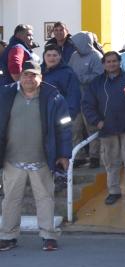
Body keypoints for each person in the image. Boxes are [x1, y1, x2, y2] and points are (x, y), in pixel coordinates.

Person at [0, 61, 72, 252]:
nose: (29, 79)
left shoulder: (53, 97)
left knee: (45, 198)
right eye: (25, 75)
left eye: (33, 75)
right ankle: (8, 236)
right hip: (12, 159)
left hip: (42, 160)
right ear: (19, 77)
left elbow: (64, 126)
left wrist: (64, 154)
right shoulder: (5, 94)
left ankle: (49, 236)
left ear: (41, 77)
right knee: (10, 200)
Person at [82, 52, 125, 205]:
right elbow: (87, 105)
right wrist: (97, 122)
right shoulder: (96, 83)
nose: (111, 64)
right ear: (103, 64)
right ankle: (114, 191)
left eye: (114, 61)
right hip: (107, 130)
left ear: (120, 62)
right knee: (111, 163)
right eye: (108, 61)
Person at [69, 31, 104, 168]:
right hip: (75, 98)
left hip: (90, 99)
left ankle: (95, 156)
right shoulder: (74, 56)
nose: (75, 47)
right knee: (75, 128)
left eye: (77, 44)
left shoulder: (96, 56)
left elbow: (100, 76)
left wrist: (82, 78)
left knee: (92, 128)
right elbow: (70, 72)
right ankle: (79, 156)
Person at [42, 44, 82, 124]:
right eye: (48, 55)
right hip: (44, 116)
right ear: (44, 56)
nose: (51, 58)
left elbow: (74, 96)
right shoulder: (38, 72)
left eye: (54, 55)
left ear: (60, 56)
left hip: (62, 117)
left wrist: (68, 117)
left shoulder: (68, 73)